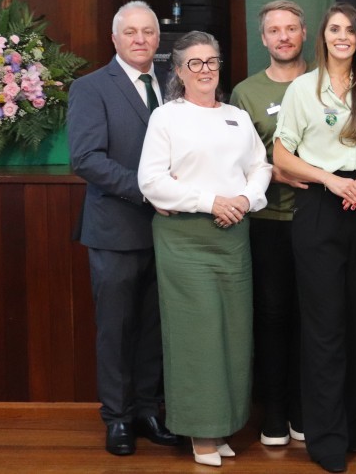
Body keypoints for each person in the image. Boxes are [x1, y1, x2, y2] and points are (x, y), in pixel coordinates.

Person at [137, 31, 272, 468]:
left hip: (233, 236)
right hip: (186, 238)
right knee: (197, 336)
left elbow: (260, 165)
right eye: (194, 63)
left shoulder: (236, 115)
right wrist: (210, 201)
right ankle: (199, 432)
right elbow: (152, 181)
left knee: (234, 333)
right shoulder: (166, 118)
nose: (205, 69)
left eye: (211, 61)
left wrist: (245, 200)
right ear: (177, 71)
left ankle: (224, 425)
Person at [272, 3, 356, 473]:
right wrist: (331, 179)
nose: (343, 36)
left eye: (350, 30)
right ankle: (325, 439)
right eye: (335, 29)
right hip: (322, 207)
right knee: (325, 329)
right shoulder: (304, 88)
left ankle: (352, 426)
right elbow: (281, 156)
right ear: (322, 37)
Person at [67, 1, 180, 457]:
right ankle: (116, 418)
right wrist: (149, 191)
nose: (140, 39)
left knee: (155, 326)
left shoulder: (174, 86)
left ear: (158, 39)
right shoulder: (91, 87)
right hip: (116, 229)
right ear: (114, 40)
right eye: (130, 32)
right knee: (116, 328)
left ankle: (147, 410)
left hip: (170, 231)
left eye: (148, 32)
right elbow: (86, 158)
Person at [229, 0, 312, 447]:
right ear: (263, 39)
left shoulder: (325, 83)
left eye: (291, 28)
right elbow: (239, 157)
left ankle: (304, 409)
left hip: (318, 219)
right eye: (274, 30)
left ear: (304, 34)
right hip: (268, 220)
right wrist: (272, 171)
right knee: (273, 317)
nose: (283, 36)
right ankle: (275, 413)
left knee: (311, 318)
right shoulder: (246, 92)